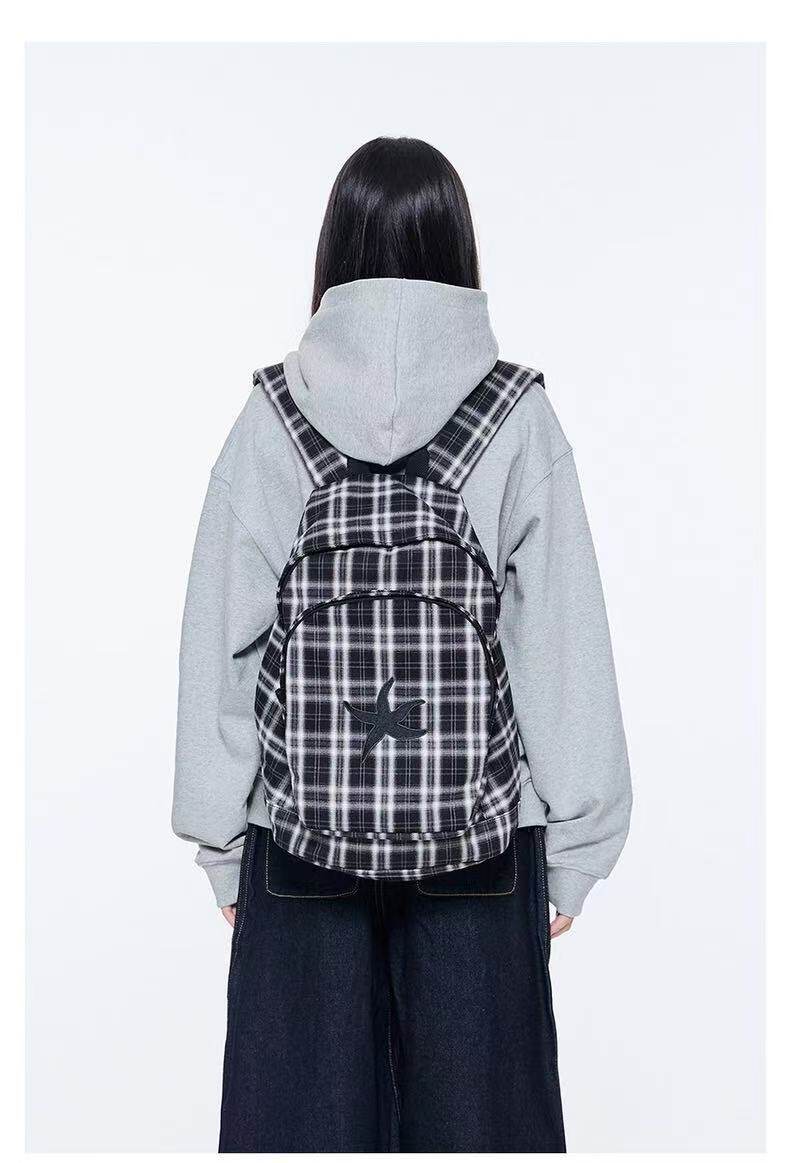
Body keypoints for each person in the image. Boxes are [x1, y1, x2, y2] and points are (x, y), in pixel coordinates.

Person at [172, 137, 631, 1153]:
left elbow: (220, 646)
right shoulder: (516, 417)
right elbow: (561, 644)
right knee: (482, 1132)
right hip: (483, 847)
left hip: (298, 846)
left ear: (333, 248)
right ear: (458, 246)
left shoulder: (270, 418)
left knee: (300, 1135)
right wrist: (578, 850)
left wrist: (221, 845)